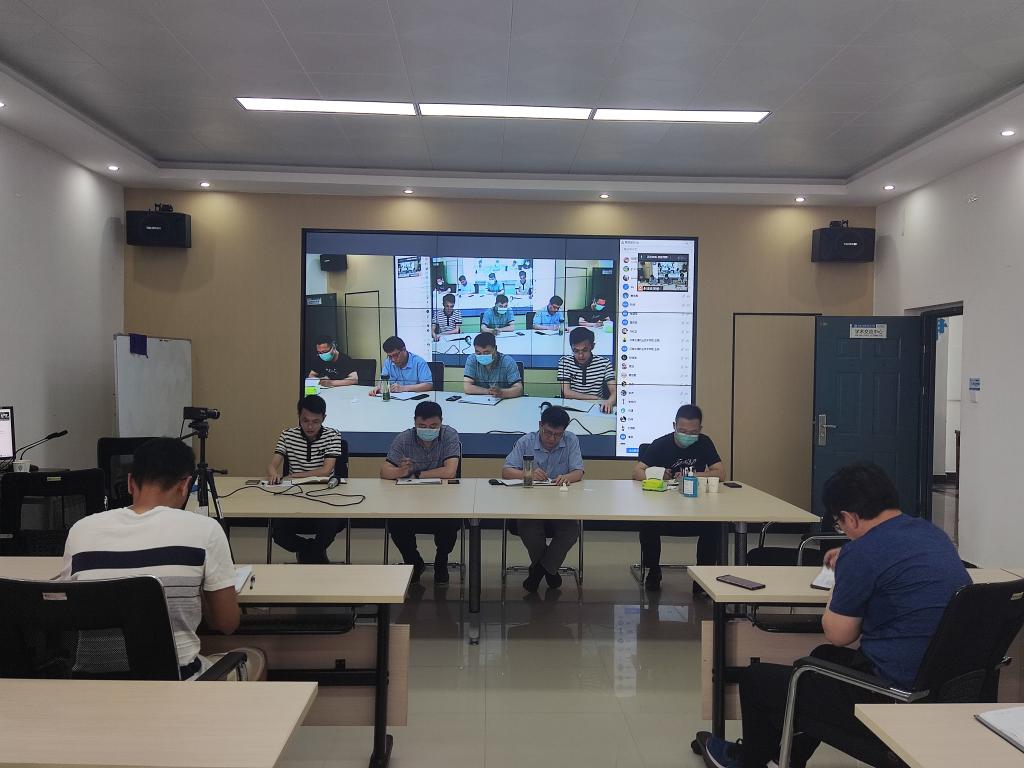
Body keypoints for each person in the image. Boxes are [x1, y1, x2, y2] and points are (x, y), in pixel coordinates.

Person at [701, 462, 971, 768]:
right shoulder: (931, 534)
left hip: (891, 699)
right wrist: (852, 560)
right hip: (943, 691)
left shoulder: (864, 552)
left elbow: (839, 634)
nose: (843, 531)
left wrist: (841, 578)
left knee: (756, 680)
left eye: (840, 524)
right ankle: (787, 755)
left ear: (850, 517)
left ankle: (750, 762)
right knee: (821, 659)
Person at [59, 438, 265, 681]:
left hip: (93, 687)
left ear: (130, 482)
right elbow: (227, 623)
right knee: (255, 657)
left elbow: (69, 610)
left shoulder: (81, 530)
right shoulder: (205, 530)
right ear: (184, 485)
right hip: (174, 683)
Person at [631, 404, 725, 591]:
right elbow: (637, 472)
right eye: (682, 431)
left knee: (713, 525)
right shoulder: (661, 444)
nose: (687, 435)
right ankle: (653, 571)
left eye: (693, 432)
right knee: (647, 524)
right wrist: (659, 475)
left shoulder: (704, 443)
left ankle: (703, 578)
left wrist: (693, 476)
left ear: (700, 429)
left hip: (697, 510)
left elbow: (720, 473)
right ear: (674, 426)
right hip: (663, 510)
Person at [502, 406, 584, 592]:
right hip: (530, 504)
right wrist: (527, 474)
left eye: (558, 434)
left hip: (561, 504)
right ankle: (550, 570)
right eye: (548, 432)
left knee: (571, 530)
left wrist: (567, 477)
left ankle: (539, 571)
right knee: (528, 527)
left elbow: (578, 472)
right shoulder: (526, 441)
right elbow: (506, 471)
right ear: (540, 425)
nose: (552, 438)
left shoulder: (571, 440)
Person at [380, 401, 462, 584]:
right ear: (414, 422)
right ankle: (414, 562)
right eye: (422, 426)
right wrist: (400, 471)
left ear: (441, 422)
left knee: (450, 523)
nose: (428, 430)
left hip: (443, 503)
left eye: (433, 426)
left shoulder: (449, 435)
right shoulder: (404, 438)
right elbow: (384, 471)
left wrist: (416, 474)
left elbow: (450, 471)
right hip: (411, 504)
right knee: (395, 523)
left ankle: (441, 561)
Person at [266, 394, 346, 563]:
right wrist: (273, 473)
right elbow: (273, 465)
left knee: (330, 526)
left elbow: (325, 471)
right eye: (305, 420)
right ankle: (313, 554)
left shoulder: (333, 435)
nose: (310, 426)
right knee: (278, 532)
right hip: (295, 499)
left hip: (326, 499)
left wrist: (293, 475)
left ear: (324, 418)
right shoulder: (287, 435)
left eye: (315, 421)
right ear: (299, 416)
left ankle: (308, 556)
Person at [558, 326, 616, 413]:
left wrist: (609, 402)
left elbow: (614, 391)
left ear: (592, 346)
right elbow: (567, 393)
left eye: (585, 350)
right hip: (572, 407)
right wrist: (595, 397)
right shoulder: (565, 362)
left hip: (596, 407)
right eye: (576, 351)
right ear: (571, 348)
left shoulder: (605, 363)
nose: (580, 355)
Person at [463, 332, 523, 399]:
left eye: (486, 353)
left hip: (504, 401)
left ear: (495, 348)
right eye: (478, 353)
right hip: (479, 402)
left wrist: (502, 393)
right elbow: (467, 387)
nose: (482, 356)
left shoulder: (507, 362)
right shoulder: (472, 359)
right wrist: (489, 391)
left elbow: (519, 389)